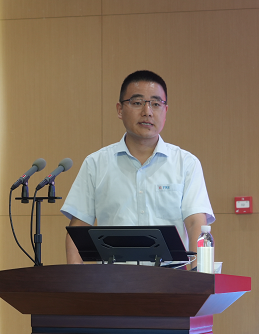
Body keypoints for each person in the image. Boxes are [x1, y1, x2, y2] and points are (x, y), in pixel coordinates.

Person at [61, 70, 214, 264]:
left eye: (156, 104)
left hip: (171, 278)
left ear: (165, 111)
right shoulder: (96, 163)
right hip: (112, 278)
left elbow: (195, 224)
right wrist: (77, 280)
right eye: (137, 103)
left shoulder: (186, 163)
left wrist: (198, 277)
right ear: (120, 110)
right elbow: (78, 229)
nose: (147, 112)